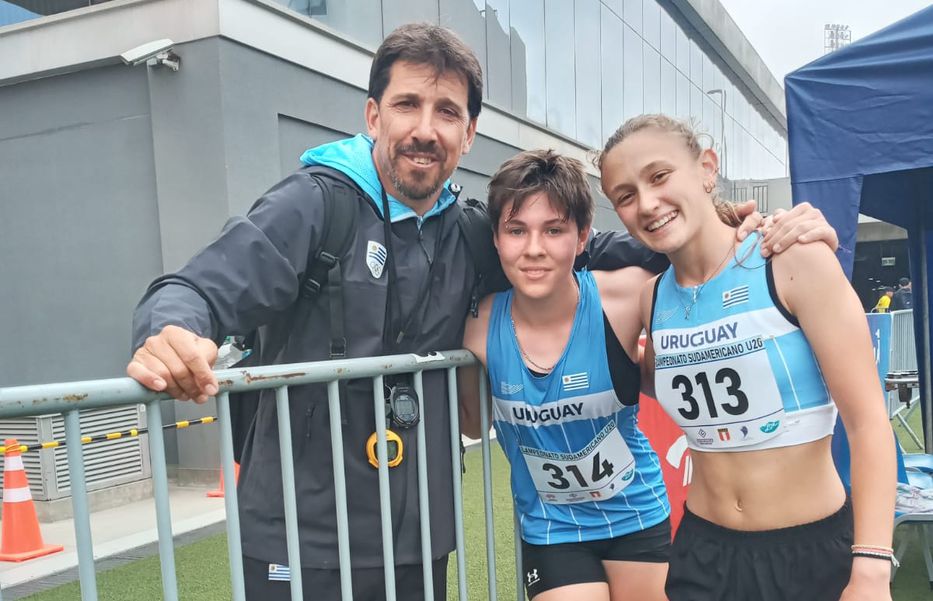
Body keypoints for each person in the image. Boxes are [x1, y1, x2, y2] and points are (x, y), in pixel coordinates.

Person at [125, 24, 712, 601]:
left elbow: (576, 248)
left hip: (417, 534)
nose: (425, 130)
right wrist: (172, 330)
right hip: (299, 533)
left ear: (470, 132)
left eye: (447, 112)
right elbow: (198, 286)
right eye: (408, 104)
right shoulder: (314, 202)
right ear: (375, 116)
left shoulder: (468, 231)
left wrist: (724, 230)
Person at [457, 150, 838, 601]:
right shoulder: (476, 326)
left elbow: (701, 251)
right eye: (516, 231)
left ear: (582, 238)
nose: (534, 248)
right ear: (496, 239)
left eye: (554, 230)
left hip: (635, 512)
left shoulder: (627, 295)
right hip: (551, 525)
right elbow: (473, 425)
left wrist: (779, 226)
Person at [598, 114, 896, 601]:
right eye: (625, 196)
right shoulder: (652, 300)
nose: (647, 204)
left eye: (659, 176)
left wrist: (871, 568)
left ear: (707, 169)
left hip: (811, 553)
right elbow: (675, 377)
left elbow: (868, 423)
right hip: (704, 555)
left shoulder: (793, 258)